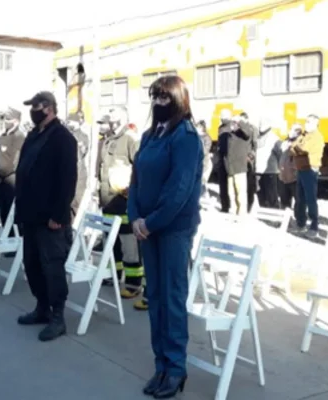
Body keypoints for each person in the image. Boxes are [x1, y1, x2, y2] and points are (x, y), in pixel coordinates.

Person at [128, 75, 202, 398]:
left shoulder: (186, 138)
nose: (158, 103)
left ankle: (175, 369)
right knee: (155, 297)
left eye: (164, 98)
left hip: (172, 230)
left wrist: (150, 222)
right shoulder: (148, 136)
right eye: (154, 97)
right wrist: (134, 218)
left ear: (179, 100)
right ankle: (161, 365)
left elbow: (179, 191)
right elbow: (136, 181)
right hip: (148, 228)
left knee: (172, 299)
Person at [15, 91, 77, 342]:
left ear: (49, 108)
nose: (33, 110)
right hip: (30, 213)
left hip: (51, 217)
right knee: (32, 263)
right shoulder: (34, 135)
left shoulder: (63, 138)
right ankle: (41, 307)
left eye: (37, 106)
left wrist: (59, 215)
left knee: (52, 266)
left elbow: (67, 180)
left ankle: (57, 317)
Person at [96, 106, 144, 298]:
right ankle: (113, 275)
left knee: (129, 244)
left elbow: (140, 168)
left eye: (114, 115)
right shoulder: (108, 139)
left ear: (122, 118)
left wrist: (131, 191)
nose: (110, 119)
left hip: (124, 201)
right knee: (111, 242)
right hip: (108, 200)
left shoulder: (130, 139)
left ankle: (133, 284)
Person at [290, 114, 325, 239]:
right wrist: (296, 147)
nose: (306, 124)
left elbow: (303, 149)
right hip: (301, 169)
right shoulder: (304, 135)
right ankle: (301, 223)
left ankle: (314, 226)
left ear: (316, 124)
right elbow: (293, 149)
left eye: (309, 122)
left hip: (310, 170)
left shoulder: (317, 137)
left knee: (310, 199)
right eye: (306, 121)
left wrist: (296, 147)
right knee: (300, 198)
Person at [0, 106, 25, 228]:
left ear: (16, 121)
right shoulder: (3, 135)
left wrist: (8, 172)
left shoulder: (19, 136)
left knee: (12, 213)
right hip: (0, 179)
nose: (5, 121)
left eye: (8, 119)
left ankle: (14, 239)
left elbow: (17, 159)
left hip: (11, 179)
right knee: (3, 210)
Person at [220, 112, 252, 215]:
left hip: (239, 167)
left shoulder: (243, 133)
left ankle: (242, 213)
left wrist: (240, 121)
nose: (232, 125)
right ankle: (233, 210)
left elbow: (247, 133)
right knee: (231, 192)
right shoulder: (229, 134)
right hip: (230, 167)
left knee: (240, 192)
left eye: (234, 123)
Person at [66, 112, 90, 216]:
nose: (69, 124)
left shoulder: (83, 136)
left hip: (79, 175)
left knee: (77, 203)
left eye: (71, 121)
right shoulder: (65, 134)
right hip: (68, 174)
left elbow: (83, 151)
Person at [255, 118, 282, 208]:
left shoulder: (274, 138)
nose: (260, 127)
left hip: (270, 170)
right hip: (258, 170)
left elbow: (280, 153)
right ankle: (264, 209)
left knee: (271, 194)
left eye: (262, 124)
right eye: (260, 124)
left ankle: (274, 212)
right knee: (260, 192)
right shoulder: (258, 137)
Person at [279, 124, 301, 209]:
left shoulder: (301, 142)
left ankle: (299, 220)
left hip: (294, 177)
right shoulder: (285, 142)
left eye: (293, 130)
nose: (290, 131)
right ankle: (286, 220)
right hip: (283, 177)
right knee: (284, 201)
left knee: (299, 201)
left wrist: (291, 146)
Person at [196, 120, 212, 198]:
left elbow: (206, 150)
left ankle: (205, 193)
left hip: (203, 162)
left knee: (202, 179)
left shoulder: (207, 138)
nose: (196, 128)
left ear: (202, 128)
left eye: (198, 127)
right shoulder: (196, 136)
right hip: (196, 162)